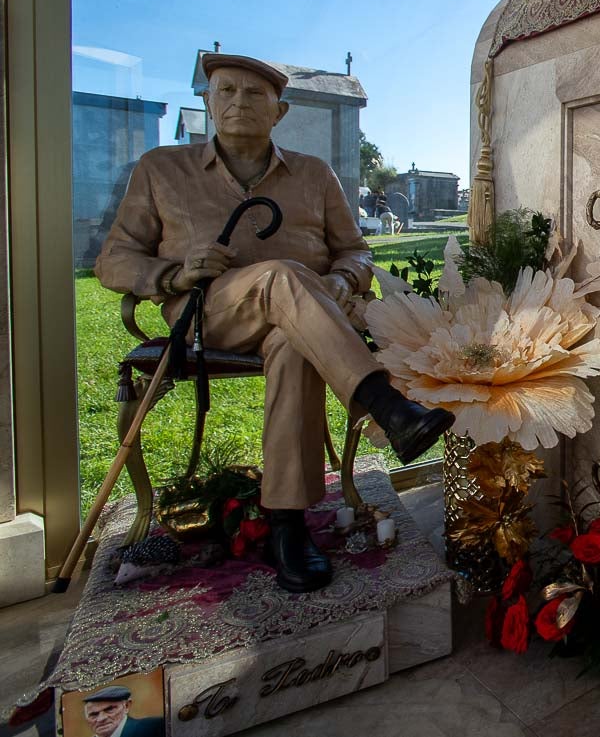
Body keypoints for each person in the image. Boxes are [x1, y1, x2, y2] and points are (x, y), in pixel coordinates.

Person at [95, 53, 454, 593]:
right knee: (280, 277)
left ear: (280, 111)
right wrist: (173, 273)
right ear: (209, 102)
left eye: (255, 94)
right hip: (208, 316)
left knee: (290, 339)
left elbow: (355, 253)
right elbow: (113, 261)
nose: (240, 102)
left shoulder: (314, 174)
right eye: (227, 91)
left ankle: (286, 523)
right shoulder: (162, 170)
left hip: (307, 321)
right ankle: (387, 405)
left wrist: (341, 280)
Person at [80, 686, 163, 737]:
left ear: (126, 706)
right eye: (94, 714)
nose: (101, 719)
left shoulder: (154, 727)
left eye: (109, 709)